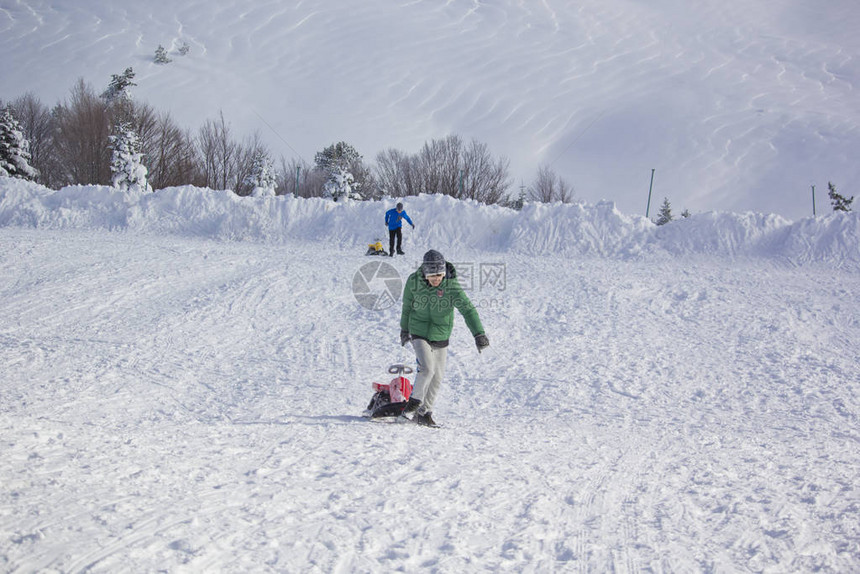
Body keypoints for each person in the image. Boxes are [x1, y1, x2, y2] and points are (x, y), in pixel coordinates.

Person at [399, 249, 489, 426]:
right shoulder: (413, 281)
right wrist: (404, 329)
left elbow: (468, 310)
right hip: (419, 331)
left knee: (438, 376)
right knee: (427, 369)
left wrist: (479, 334)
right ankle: (413, 403)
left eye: (439, 275)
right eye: (432, 275)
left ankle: (424, 413)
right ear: (424, 273)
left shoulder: (451, 286)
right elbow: (407, 306)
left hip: (441, 334)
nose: (436, 279)